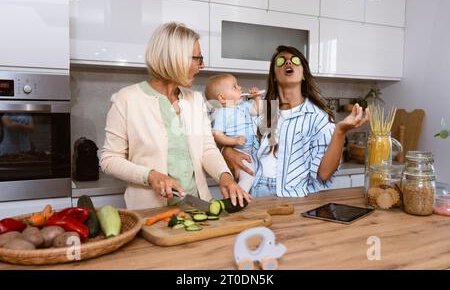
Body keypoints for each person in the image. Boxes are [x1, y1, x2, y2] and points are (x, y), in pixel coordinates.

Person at [100, 22, 252, 210]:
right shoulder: (126, 99)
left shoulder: (195, 100)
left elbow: (207, 149)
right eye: (198, 58)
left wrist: (224, 176)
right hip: (150, 213)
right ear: (175, 58)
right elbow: (109, 159)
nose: (202, 65)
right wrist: (151, 175)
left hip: (198, 207)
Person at [222, 45, 369, 197]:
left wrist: (340, 131)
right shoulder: (261, 112)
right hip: (253, 193)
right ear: (274, 75)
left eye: (295, 60)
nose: (288, 63)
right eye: (281, 61)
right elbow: (233, 141)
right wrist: (227, 151)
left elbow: (324, 173)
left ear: (304, 74)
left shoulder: (318, 118)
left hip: (293, 198)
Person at [204, 73, 263, 193]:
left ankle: (242, 197)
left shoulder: (243, 105)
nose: (240, 88)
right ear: (222, 98)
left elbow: (258, 111)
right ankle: (238, 197)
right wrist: (234, 141)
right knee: (248, 177)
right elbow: (217, 135)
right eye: (234, 87)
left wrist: (257, 98)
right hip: (239, 152)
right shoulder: (222, 113)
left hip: (253, 150)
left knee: (256, 176)